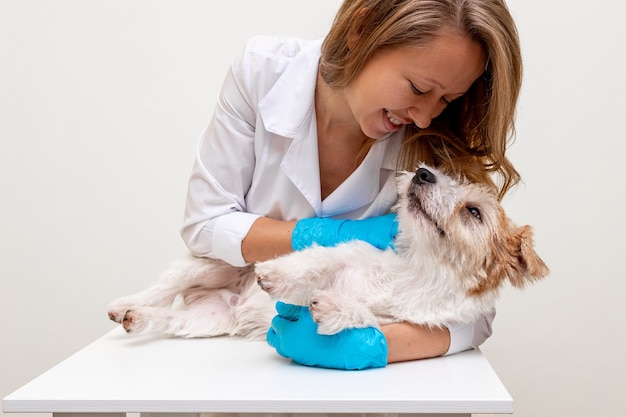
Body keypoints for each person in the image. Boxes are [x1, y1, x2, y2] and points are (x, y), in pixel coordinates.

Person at [181, 0, 522, 370]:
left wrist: (374, 345)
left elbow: (475, 312)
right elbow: (205, 226)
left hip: (365, 387)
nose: (424, 118)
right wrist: (326, 235)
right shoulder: (262, 72)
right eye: (418, 88)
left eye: (447, 99)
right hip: (235, 354)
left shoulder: (437, 141)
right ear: (362, 31)